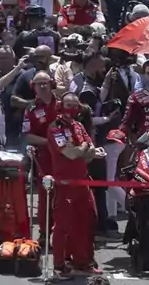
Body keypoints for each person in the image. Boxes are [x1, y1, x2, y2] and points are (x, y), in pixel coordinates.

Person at [48, 91, 102, 277]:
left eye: (74, 105)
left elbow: (91, 151)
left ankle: (82, 262)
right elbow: (71, 153)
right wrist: (84, 149)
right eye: (67, 104)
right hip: (64, 184)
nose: (70, 109)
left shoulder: (78, 125)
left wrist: (82, 150)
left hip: (83, 181)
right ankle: (59, 266)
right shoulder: (55, 128)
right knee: (63, 226)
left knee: (86, 222)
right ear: (60, 106)